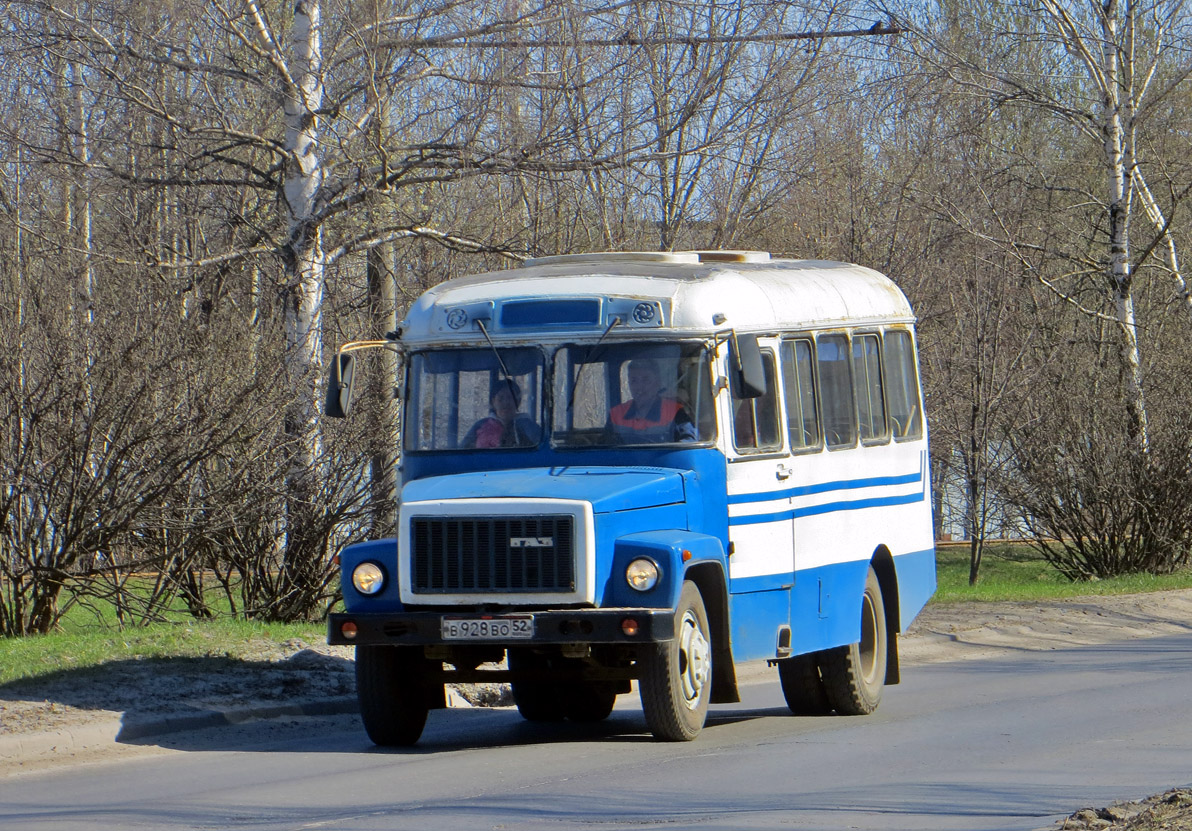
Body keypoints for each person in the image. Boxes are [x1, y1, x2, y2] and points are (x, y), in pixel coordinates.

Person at [606, 358, 698, 444]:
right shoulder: (616, 414)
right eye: (634, 381)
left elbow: (689, 443)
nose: (639, 387)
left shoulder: (674, 412)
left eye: (646, 380)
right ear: (629, 384)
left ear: (658, 383)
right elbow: (604, 446)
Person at [463, 379, 541, 448]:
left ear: (518, 401)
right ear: (493, 401)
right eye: (500, 398)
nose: (506, 403)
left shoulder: (528, 426)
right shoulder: (481, 425)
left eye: (510, 397)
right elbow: (463, 450)